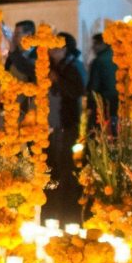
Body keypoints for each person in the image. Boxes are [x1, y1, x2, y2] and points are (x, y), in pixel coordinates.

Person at [48, 33, 87, 191]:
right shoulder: (55, 66)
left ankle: (67, 196)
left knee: (65, 160)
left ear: (64, 49)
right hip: (55, 121)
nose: (50, 51)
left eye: (54, 48)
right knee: (55, 158)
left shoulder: (73, 66)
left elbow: (78, 90)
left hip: (68, 120)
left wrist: (58, 80)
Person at [86, 33, 119, 133]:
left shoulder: (99, 61)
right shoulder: (119, 57)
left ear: (105, 43)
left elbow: (94, 87)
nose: (93, 47)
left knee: (102, 133)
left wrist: (90, 105)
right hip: (119, 102)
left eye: (96, 44)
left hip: (104, 103)